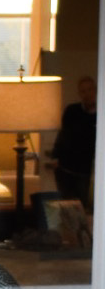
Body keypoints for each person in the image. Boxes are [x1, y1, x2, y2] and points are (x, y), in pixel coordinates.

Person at [49, 76, 96, 208]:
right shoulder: (72, 111)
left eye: (90, 90)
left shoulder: (99, 115)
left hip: (85, 169)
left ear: (95, 90)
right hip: (65, 166)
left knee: (82, 203)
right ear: (79, 93)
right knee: (66, 203)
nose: (87, 94)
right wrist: (55, 155)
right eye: (83, 91)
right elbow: (63, 133)